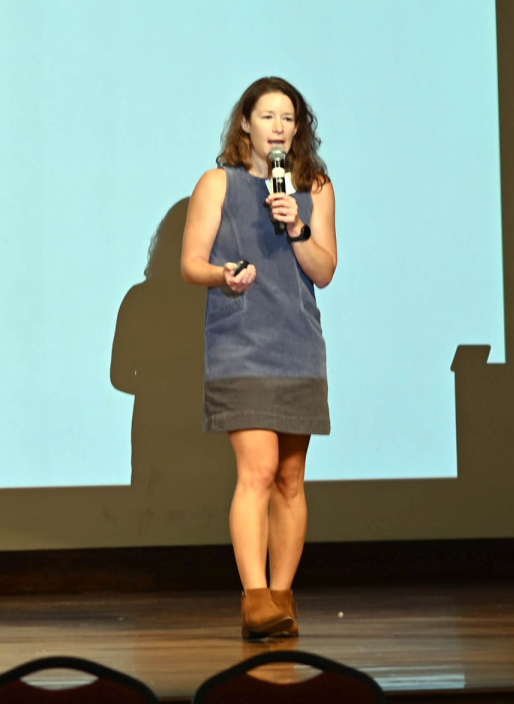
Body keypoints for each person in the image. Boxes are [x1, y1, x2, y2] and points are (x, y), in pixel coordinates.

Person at [181, 77, 337, 639]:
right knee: (259, 470)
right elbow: (191, 263)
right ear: (245, 122)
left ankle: (281, 594)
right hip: (241, 344)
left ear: (297, 128)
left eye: (288, 118)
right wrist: (224, 274)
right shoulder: (216, 183)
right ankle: (253, 599)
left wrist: (297, 226)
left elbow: (324, 270)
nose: (278, 126)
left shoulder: (314, 186)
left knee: (291, 479)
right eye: (267, 116)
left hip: (297, 341)